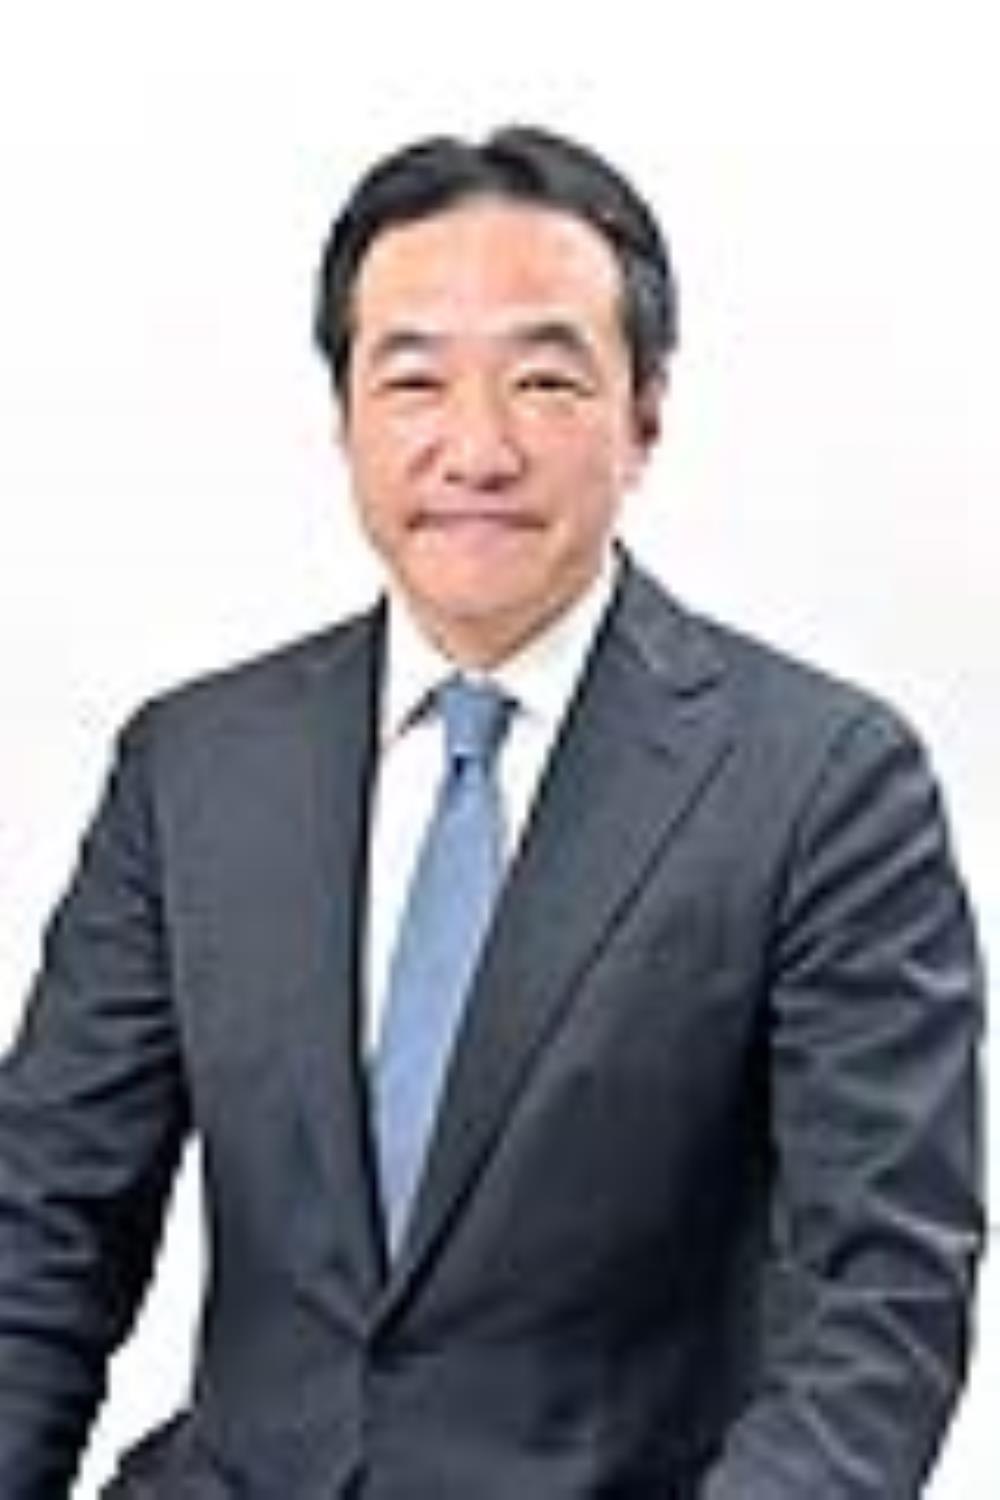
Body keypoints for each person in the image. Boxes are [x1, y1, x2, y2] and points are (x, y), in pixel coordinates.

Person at [0, 126, 984, 1499]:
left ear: (645, 414)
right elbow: (43, 1228)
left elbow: (880, 1300)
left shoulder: (822, 783)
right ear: (344, 415)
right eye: (413, 379)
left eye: (544, 380)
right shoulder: (194, 766)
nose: (477, 447)